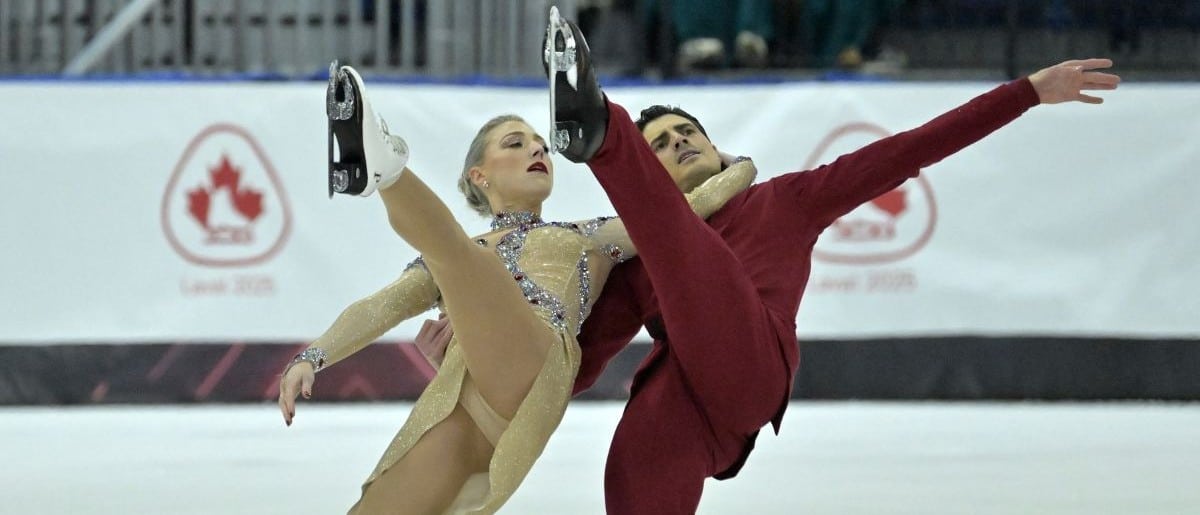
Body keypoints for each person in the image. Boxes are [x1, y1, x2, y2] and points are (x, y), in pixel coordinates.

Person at [277, 61, 757, 514]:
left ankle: (385, 174)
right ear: (478, 176)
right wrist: (312, 356)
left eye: (541, 146)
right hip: (460, 411)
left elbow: (683, 214)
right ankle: (382, 172)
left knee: (464, 260)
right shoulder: (459, 251)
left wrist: (739, 165)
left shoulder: (588, 236)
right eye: (515, 143)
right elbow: (384, 305)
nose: (537, 150)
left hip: (536, 364)